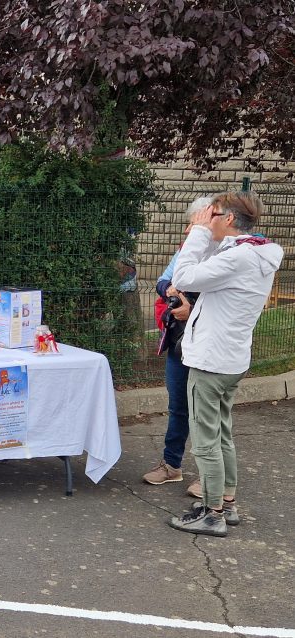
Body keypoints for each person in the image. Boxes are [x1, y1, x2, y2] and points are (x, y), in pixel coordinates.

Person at [167, 191, 283, 537]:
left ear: (228, 218)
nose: (205, 219)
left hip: (211, 360)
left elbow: (183, 277)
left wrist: (199, 234)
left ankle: (212, 513)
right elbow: (204, 271)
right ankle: (226, 503)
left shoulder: (239, 258)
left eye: (211, 214)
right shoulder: (254, 253)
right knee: (222, 434)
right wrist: (205, 234)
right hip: (230, 359)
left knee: (206, 440)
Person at [142, 197, 211, 498]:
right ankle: (172, 465)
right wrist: (168, 289)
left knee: (205, 412)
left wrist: (190, 307)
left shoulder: (225, 256)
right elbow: (162, 280)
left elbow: (222, 302)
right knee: (178, 407)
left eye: (194, 224)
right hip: (180, 342)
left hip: (208, 345)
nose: (187, 230)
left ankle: (211, 478)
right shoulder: (184, 251)